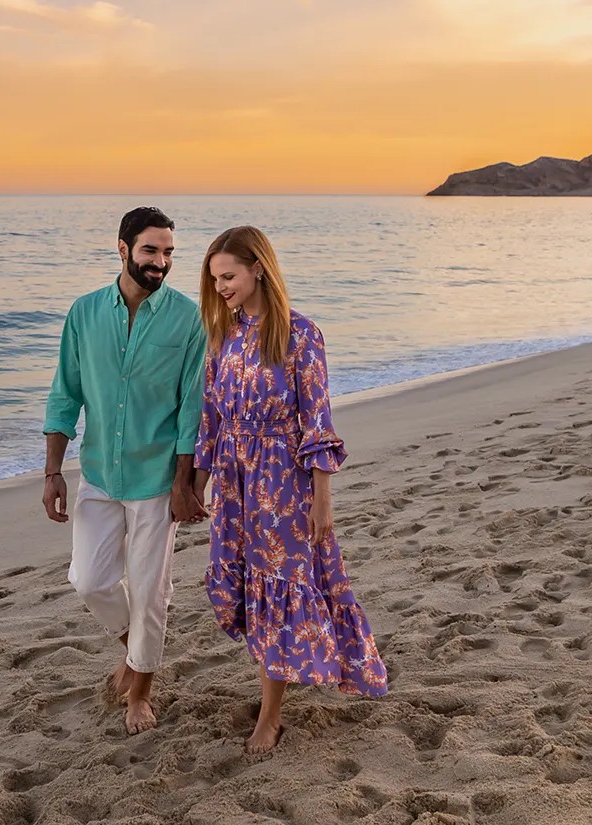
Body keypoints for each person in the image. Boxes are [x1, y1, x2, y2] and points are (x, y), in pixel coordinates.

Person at [193, 225, 389, 755]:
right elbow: (211, 418)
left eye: (228, 276)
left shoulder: (301, 336)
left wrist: (322, 497)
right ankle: (277, 688)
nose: (221, 288)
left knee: (280, 587)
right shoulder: (223, 337)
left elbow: (318, 424)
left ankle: (271, 715)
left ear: (259, 268)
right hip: (235, 484)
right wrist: (199, 482)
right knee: (248, 587)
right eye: (214, 280)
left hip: (282, 483)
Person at [42, 206, 208, 735]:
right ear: (123, 249)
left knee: (149, 588)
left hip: (157, 479)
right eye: (150, 251)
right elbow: (64, 395)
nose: (160, 262)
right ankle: (135, 652)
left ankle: (140, 692)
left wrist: (186, 484)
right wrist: (52, 472)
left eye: (168, 253)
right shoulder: (84, 313)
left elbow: (192, 409)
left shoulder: (188, 319)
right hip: (97, 474)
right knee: (90, 581)